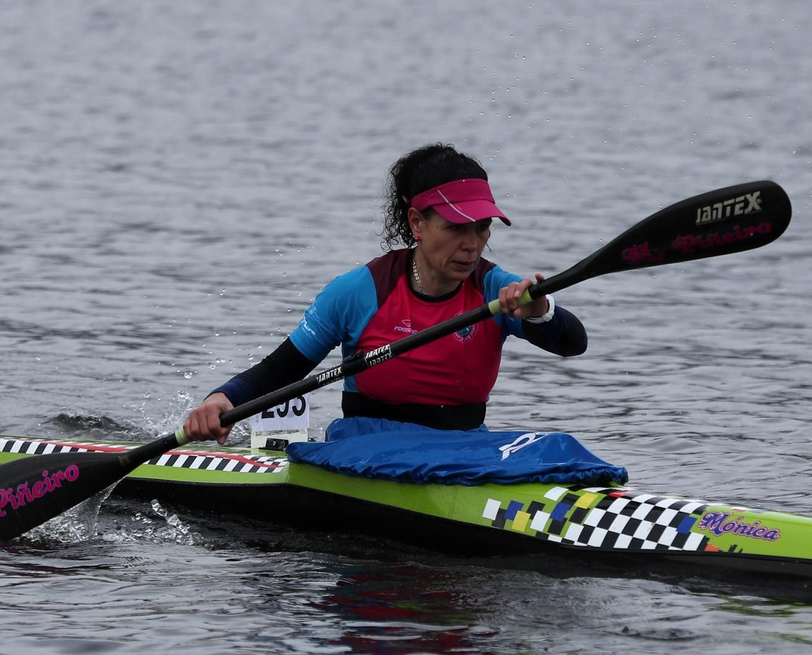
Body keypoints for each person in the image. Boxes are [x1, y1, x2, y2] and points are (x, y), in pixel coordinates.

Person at [183, 143, 587, 443]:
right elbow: (281, 371)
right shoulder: (358, 292)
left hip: (464, 448)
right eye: (457, 227)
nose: (472, 243)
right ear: (417, 223)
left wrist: (540, 310)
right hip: (366, 448)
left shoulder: (500, 291)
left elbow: (573, 344)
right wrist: (221, 402)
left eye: (482, 227)